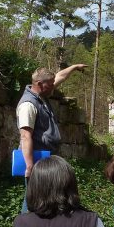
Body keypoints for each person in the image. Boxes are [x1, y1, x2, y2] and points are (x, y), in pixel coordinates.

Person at [17, 64, 87, 212]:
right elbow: (25, 136)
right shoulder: (28, 105)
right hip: (36, 160)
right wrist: (29, 166)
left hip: (46, 157)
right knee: (32, 197)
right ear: (40, 84)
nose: (53, 87)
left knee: (48, 194)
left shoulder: (42, 94)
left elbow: (60, 76)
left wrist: (74, 67)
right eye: (50, 84)